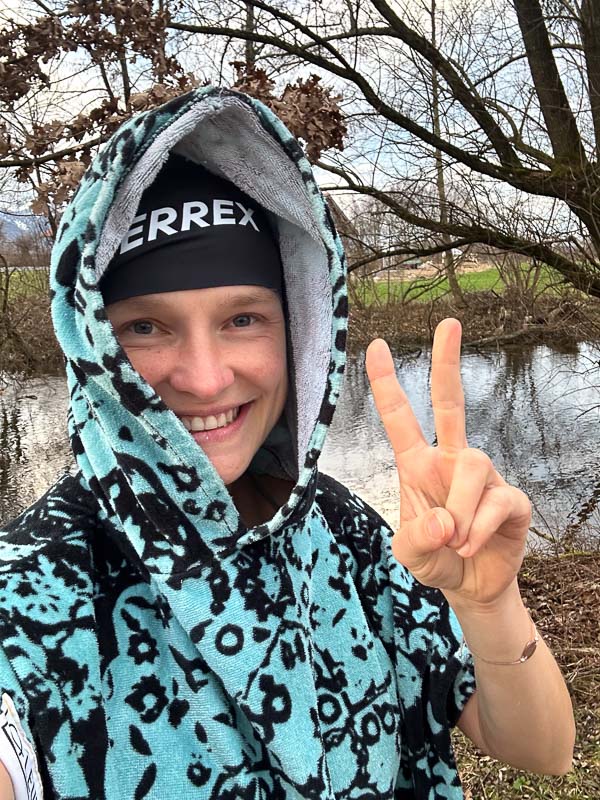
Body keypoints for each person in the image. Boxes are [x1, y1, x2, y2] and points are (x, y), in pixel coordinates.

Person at [0, 87, 574, 800]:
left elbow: (541, 751)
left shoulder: (344, 532)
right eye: (145, 327)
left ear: (300, 328)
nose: (207, 379)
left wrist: (490, 608)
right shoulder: (39, 590)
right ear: (90, 343)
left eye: (243, 319)